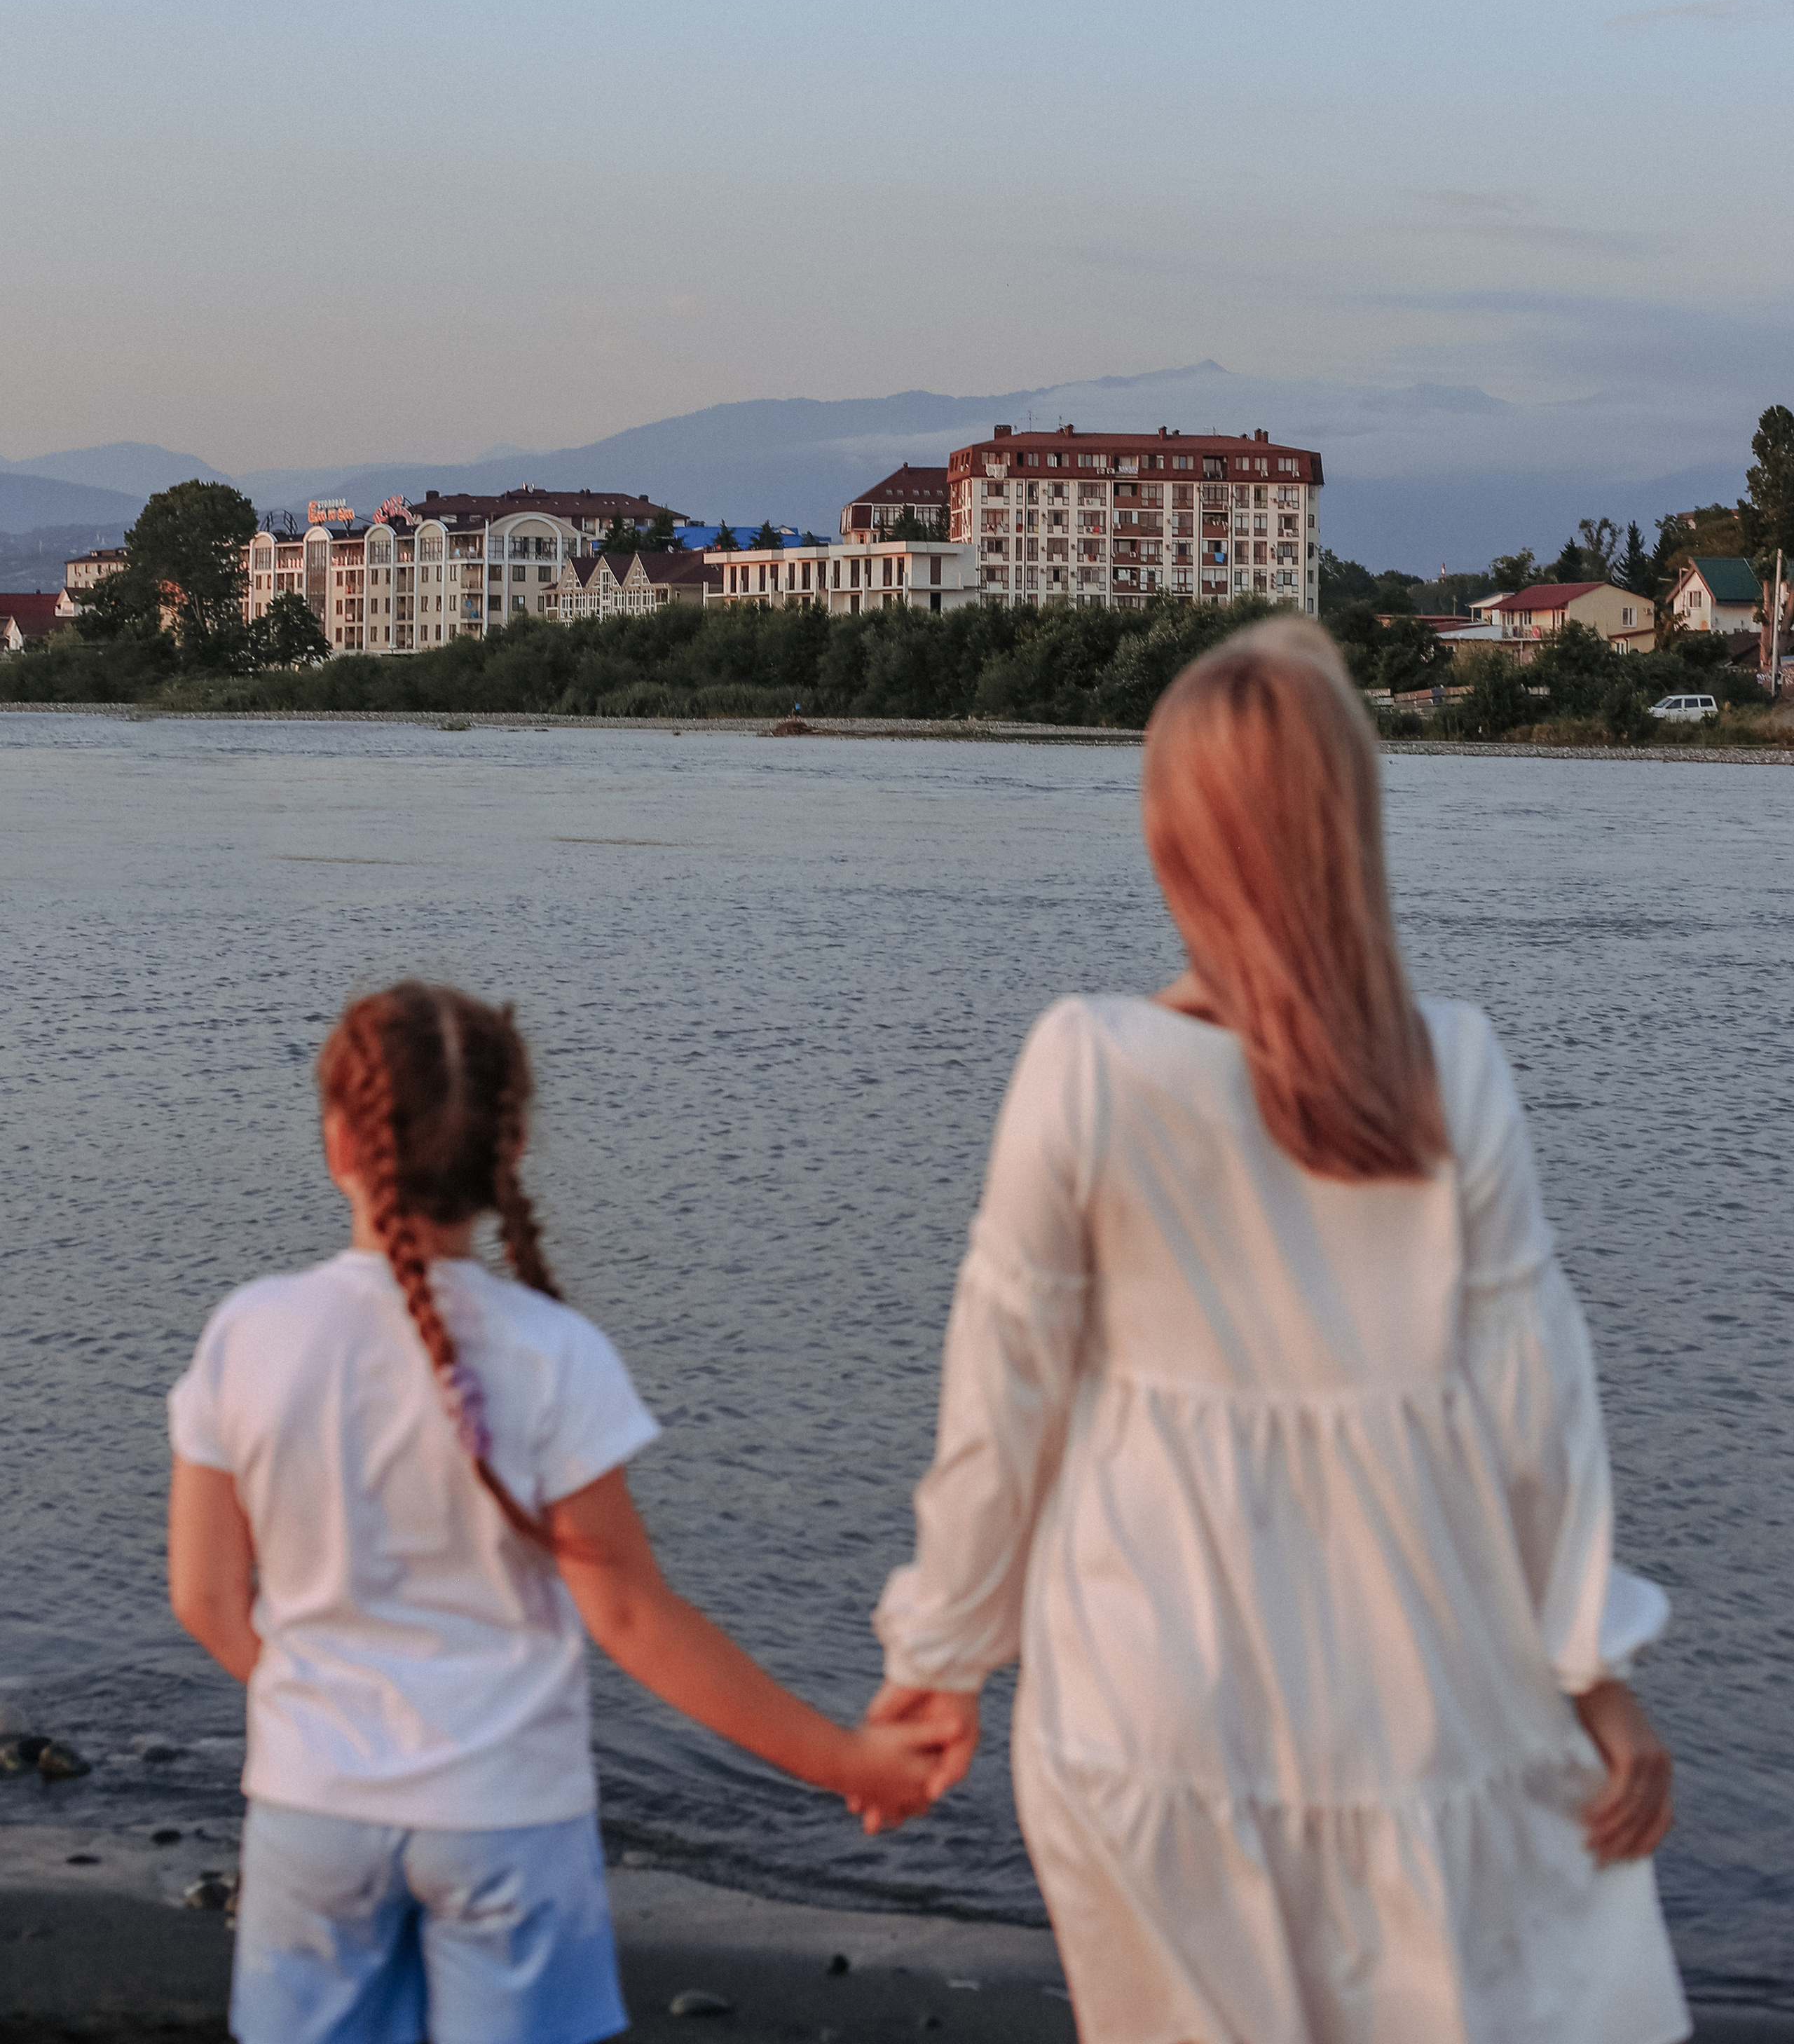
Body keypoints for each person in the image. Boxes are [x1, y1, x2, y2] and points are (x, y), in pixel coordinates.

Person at [866, 619, 1687, 2044]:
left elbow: (996, 1412)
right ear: (1347, 830)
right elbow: (1535, 1413)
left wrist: (935, 1663)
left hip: (1144, 1698)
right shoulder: (1454, 1075)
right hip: (1421, 1696)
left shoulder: (1084, 1067)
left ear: (1169, 838)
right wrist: (1592, 1673)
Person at [168, 982, 951, 2044]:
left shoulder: (250, 1335)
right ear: (513, 1148)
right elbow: (631, 1619)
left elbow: (207, 1600)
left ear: (340, 1142)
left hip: (315, 1814)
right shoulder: (552, 1354)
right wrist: (843, 1759)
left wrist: (330, 1705)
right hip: (507, 1821)